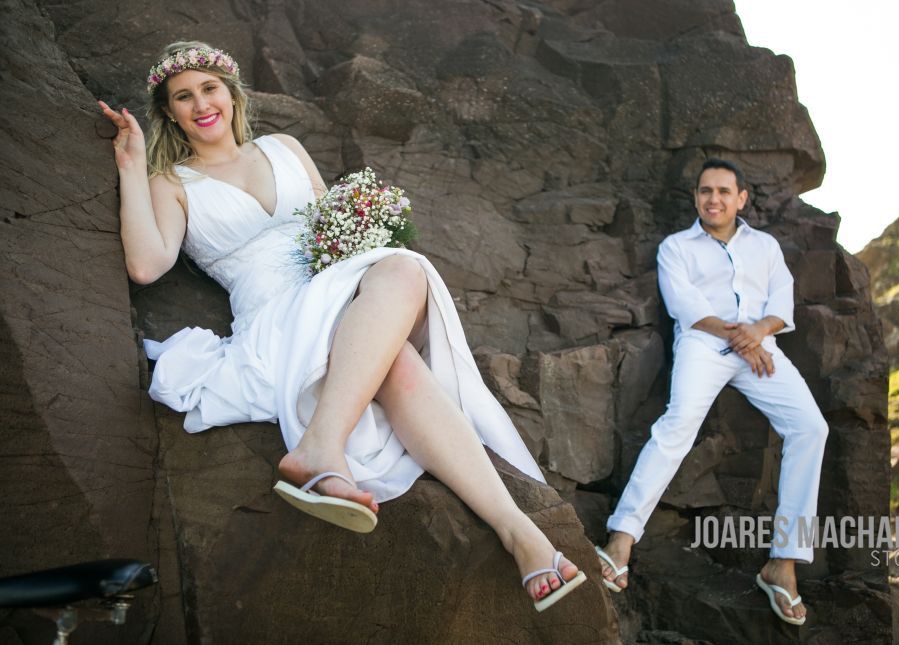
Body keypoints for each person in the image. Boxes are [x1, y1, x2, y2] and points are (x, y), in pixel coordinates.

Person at [99, 41, 585, 612]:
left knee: (399, 289)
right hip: (275, 315)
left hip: (336, 289)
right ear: (169, 112)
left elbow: (334, 226)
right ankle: (517, 531)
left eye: (210, 89)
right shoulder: (174, 181)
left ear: (231, 94)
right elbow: (147, 264)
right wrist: (132, 164)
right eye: (183, 97)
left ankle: (501, 525)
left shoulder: (285, 147)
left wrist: (362, 234)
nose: (201, 104)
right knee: (400, 339)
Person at [596, 159, 828, 626]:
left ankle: (782, 564)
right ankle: (621, 538)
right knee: (678, 423)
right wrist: (739, 336)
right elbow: (686, 306)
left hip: (761, 347)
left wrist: (758, 331)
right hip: (705, 344)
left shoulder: (765, 246)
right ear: (696, 197)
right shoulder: (676, 247)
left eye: (724, 191)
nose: (713, 199)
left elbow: (781, 302)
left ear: (742, 198)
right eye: (705, 191)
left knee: (811, 427)